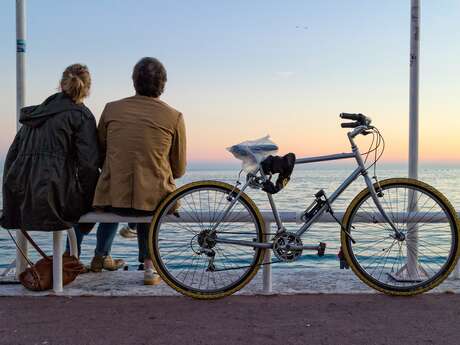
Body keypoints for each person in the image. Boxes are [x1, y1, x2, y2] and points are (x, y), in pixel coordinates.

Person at [93, 57, 186, 285]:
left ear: (134, 81)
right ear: (162, 84)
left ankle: (99, 256)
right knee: (149, 196)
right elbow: (179, 168)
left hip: (112, 198)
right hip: (151, 201)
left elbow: (100, 152)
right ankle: (149, 268)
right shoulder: (174, 116)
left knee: (117, 191)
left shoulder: (111, 109)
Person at [1, 64, 99, 234]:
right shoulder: (82, 116)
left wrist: (10, 201)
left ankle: (69, 255)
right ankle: (89, 253)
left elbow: (11, 158)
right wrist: (94, 203)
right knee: (103, 203)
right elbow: (88, 166)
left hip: (19, 198)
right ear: (88, 89)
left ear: (61, 85)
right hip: (55, 199)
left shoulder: (36, 115)